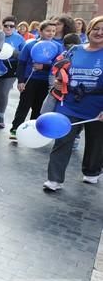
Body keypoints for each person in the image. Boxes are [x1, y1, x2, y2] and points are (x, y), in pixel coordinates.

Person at [43, 16, 103, 191]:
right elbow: (59, 69)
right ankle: (54, 179)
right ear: (89, 30)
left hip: (97, 107)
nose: (99, 33)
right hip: (69, 104)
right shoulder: (74, 50)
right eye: (96, 28)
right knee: (62, 139)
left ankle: (92, 171)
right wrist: (57, 82)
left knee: (96, 143)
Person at [9, 20, 62, 140]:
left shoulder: (57, 47)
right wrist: (21, 81)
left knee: (39, 107)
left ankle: (35, 130)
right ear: (40, 31)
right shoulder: (30, 44)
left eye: (53, 31)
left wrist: (44, 67)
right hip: (30, 79)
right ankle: (15, 129)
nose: (51, 33)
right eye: (48, 30)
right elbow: (21, 64)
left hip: (46, 81)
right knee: (24, 104)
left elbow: (58, 65)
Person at [0, 16, 25, 129]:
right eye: (6, 25)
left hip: (11, 67)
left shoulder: (19, 38)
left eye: (11, 26)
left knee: (3, 92)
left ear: (14, 27)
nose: (8, 28)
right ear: (2, 26)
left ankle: (2, 117)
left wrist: (13, 52)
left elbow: (23, 54)